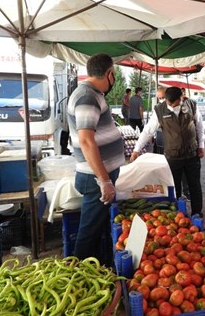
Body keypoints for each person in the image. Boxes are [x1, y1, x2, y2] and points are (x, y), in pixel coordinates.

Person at [66, 53, 125, 265]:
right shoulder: (87, 97)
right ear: (109, 74)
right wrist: (104, 180)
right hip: (95, 178)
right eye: (114, 75)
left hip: (98, 175)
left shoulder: (92, 94)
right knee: (88, 232)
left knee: (96, 228)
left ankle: (95, 267)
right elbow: (86, 141)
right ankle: (76, 274)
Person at [130, 87, 205, 216]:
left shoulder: (191, 105)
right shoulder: (160, 110)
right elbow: (148, 131)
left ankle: (197, 214)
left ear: (181, 99)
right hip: (172, 156)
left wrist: (201, 145)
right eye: (168, 103)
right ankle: (177, 215)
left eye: (173, 104)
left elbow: (199, 125)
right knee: (174, 188)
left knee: (195, 187)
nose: (170, 106)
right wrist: (137, 149)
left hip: (191, 154)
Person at [153, 86, 166, 154]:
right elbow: (150, 127)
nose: (161, 99)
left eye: (163, 97)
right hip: (160, 136)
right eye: (159, 98)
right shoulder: (157, 108)